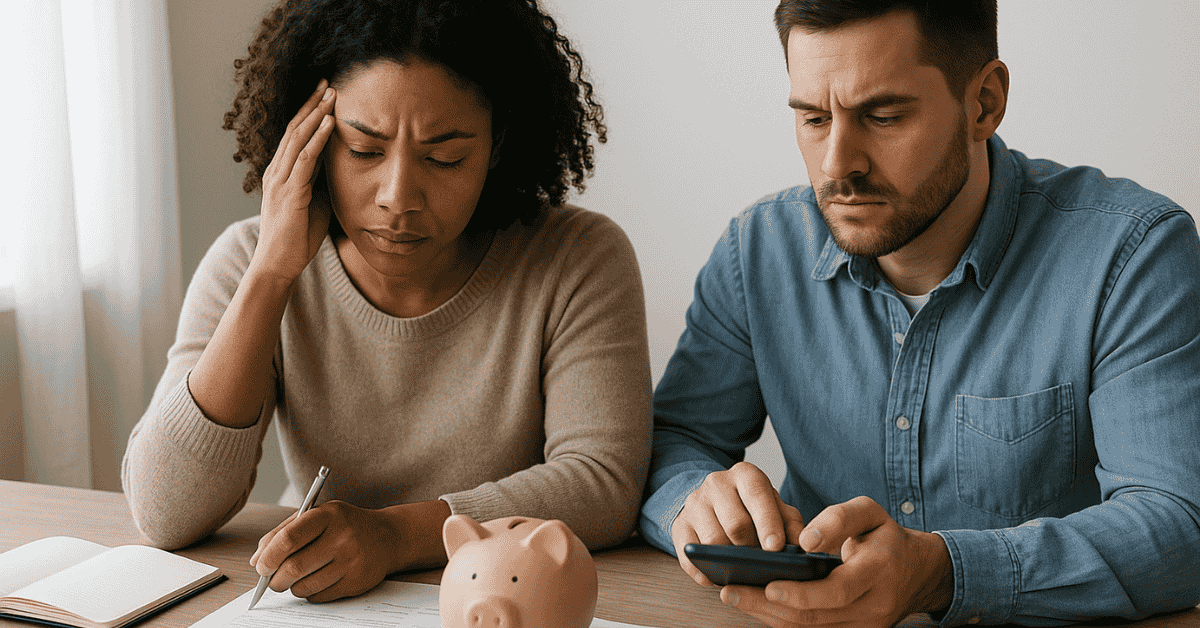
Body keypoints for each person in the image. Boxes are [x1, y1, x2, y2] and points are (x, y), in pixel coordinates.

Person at [639, 1, 1200, 626]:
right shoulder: (757, 254)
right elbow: (673, 443)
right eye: (814, 118)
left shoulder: (1131, 256)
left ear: (983, 103)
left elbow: (1180, 524)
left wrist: (943, 573)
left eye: (881, 116)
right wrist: (694, 499)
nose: (837, 165)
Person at [122, 0, 653, 603]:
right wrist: (269, 275)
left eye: (444, 157)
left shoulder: (578, 258)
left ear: (498, 144)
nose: (398, 197)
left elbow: (604, 485)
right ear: (313, 142)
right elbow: (164, 511)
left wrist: (392, 536)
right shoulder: (251, 260)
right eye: (364, 151)